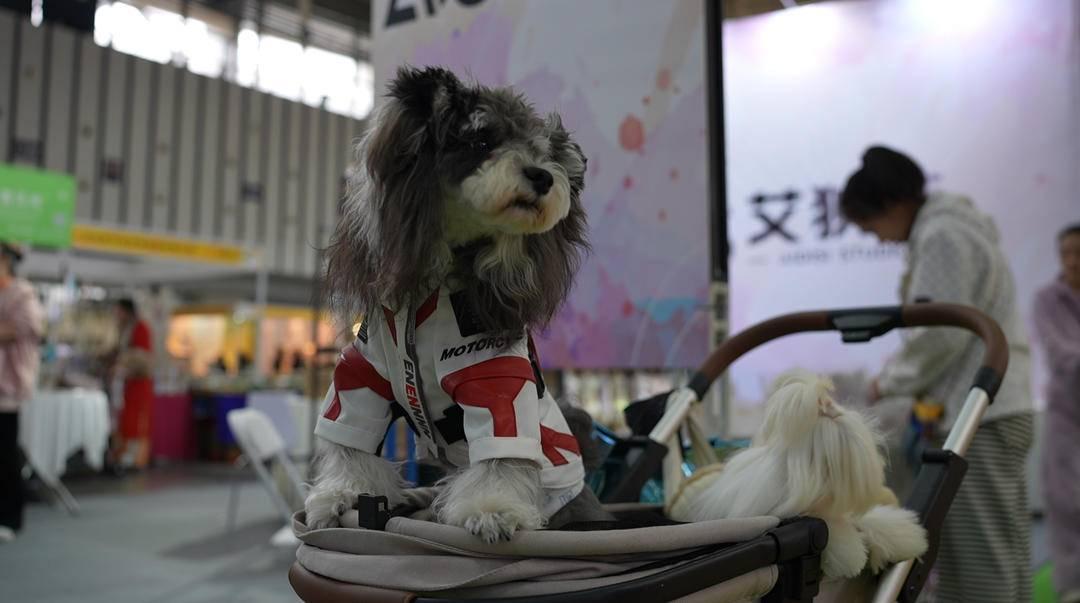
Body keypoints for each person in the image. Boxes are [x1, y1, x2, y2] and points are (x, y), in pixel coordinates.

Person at [840, 146, 1034, 603]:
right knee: (1004, 555)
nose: (878, 239)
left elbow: (939, 333)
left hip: (980, 418)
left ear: (893, 204)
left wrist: (886, 382)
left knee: (977, 565)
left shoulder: (943, 235)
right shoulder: (955, 228)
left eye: (870, 226)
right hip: (995, 412)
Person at [1033, 224, 1080, 603]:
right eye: (1066, 253)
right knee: (1065, 498)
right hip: (1067, 409)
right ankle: (1072, 582)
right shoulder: (1046, 299)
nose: (1073, 260)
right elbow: (1058, 350)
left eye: (1079, 252)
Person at [0, 243, 44, 543]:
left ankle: (10, 518)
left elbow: (27, 329)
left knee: (5, 454)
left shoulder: (22, 293)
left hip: (7, 388)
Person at [109, 298, 154, 470]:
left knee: (136, 421)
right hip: (127, 383)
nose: (116, 315)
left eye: (119, 311)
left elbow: (142, 357)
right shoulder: (125, 329)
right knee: (125, 420)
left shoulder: (140, 328)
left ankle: (135, 458)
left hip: (139, 383)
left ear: (126, 311)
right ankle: (123, 455)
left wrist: (123, 364)